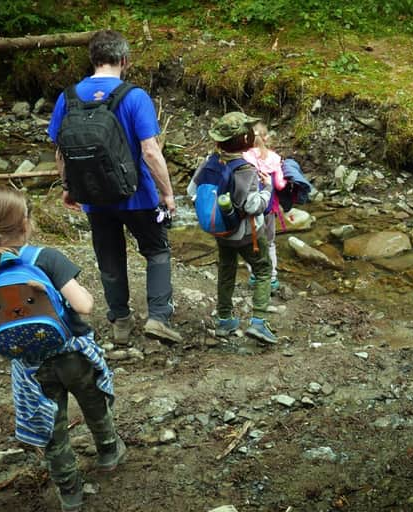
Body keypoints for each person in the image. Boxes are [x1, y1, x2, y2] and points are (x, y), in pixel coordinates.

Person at [0, 187, 125, 512]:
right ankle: (109, 452)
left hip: (31, 367)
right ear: (25, 225)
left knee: (52, 429)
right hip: (73, 354)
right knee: (94, 403)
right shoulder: (48, 258)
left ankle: (70, 491)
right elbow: (84, 306)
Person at [47, 29, 182, 344]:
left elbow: (61, 150)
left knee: (109, 257)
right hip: (138, 195)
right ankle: (158, 317)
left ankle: (120, 320)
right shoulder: (134, 96)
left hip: (94, 197)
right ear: (125, 60)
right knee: (157, 250)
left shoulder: (68, 97)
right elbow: (150, 150)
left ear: (92, 59)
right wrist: (167, 194)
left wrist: (69, 187)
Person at [187, 112, 278, 345]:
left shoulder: (210, 162)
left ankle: (224, 319)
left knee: (226, 271)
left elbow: (191, 192)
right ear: (246, 140)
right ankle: (258, 322)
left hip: (222, 232)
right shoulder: (245, 170)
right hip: (248, 234)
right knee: (263, 270)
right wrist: (267, 189)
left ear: (219, 140)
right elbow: (253, 205)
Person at [242, 121, 287, 292]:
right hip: (268, 208)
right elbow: (280, 185)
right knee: (269, 244)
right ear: (266, 137)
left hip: (250, 208)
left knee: (250, 241)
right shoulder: (274, 158)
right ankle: (272, 278)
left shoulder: (243, 156)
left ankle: (255, 276)